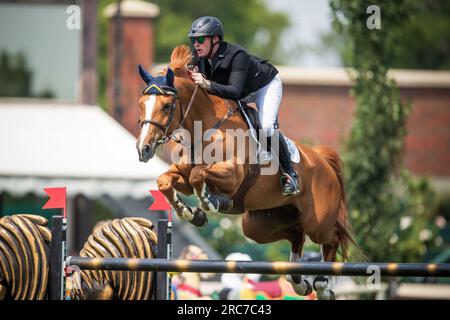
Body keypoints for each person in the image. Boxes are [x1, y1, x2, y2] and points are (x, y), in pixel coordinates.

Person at [187, 16, 300, 196]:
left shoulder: (237, 56)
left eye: (200, 39)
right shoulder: (198, 55)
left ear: (215, 39)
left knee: (267, 127)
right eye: (193, 40)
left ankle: (291, 175)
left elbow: (234, 91)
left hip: (264, 86)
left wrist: (207, 84)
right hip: (241, 91)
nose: (196, 44)